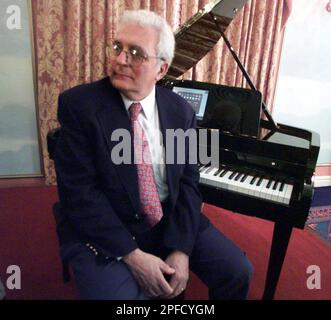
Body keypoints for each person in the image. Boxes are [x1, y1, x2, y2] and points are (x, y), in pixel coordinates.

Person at [54, 9, 252, 300]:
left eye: (135, 53)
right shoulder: (79, 106)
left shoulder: (180, 112)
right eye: (118, 47)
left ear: (161, 69)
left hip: (168, 218)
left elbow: (188, 183)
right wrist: (134, 257)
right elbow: (80, 194)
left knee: (238, 271)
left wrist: (181, 248)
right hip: (109, 223)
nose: (121, 59)